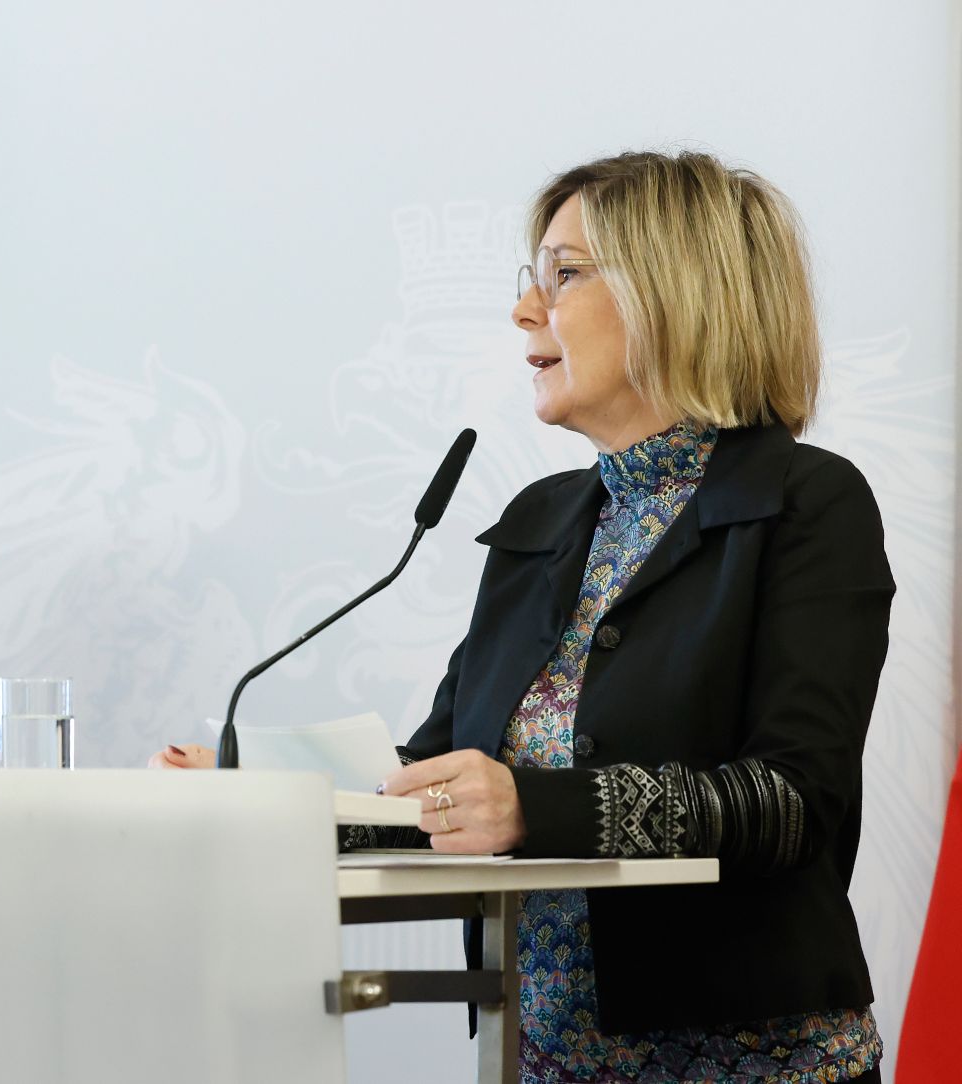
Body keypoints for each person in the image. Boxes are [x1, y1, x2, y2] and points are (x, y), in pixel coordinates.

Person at [154, 151, 889, 1083]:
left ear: (679, 293)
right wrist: (251, 794)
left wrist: (530, 807)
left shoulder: (806, 503)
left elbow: (792, 804)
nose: (523, 310)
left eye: (565, 274)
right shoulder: (541, 521)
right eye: (530, 280)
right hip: (539, 1061)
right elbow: (425, 784)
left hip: (753, 1064)